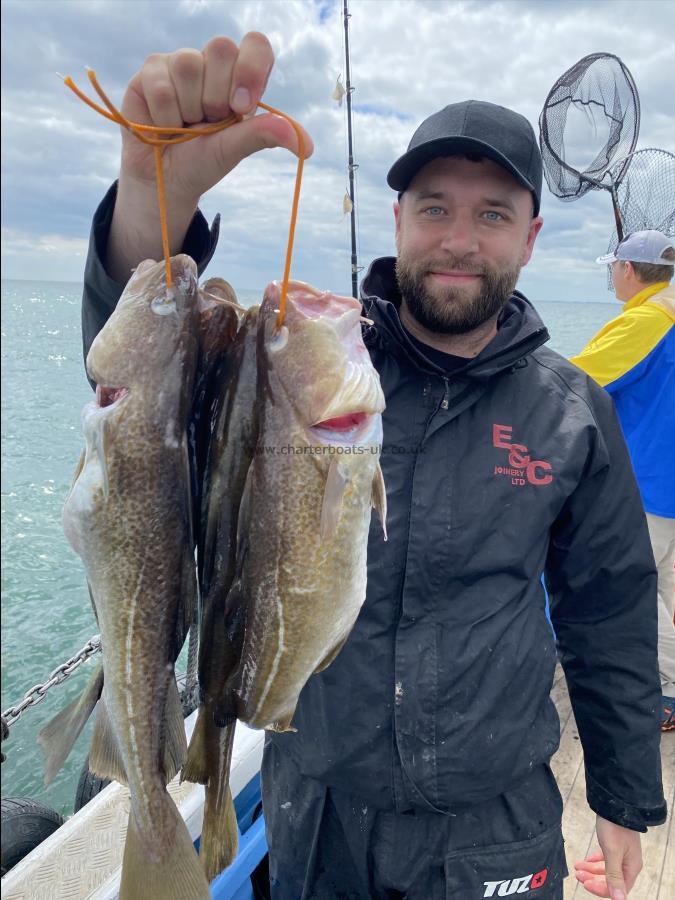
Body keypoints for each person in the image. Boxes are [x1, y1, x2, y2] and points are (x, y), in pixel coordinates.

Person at [80, 35, 666, 900]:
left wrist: (621, 797)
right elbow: (140, 397)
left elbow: (606, 613)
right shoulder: (290, 368)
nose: (459, 240)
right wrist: (150, 198)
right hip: (316, 806)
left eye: (492, 214)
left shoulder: (574, 411)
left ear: (531, 237)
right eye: (433, 208)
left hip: (495, 821)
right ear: (397, 221)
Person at [571, 231, 675, 732]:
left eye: (614, 266)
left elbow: (573, 384)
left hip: (650, 489)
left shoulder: (648, 321)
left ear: (630, 271)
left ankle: (654, 695)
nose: (611, 274)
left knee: (623, 595)